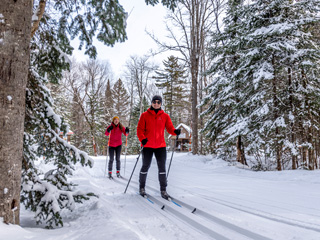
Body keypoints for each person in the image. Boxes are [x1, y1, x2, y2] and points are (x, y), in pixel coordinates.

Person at [137, 95, 181, 199]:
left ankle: (163, 190)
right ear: (151, 103)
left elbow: (170, 128)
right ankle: (142, 188)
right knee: (145, 166)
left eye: (158, 102)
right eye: (154, 102)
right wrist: (142, 139)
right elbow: (139, 129)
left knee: (162, 168)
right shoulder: (144, 115)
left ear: (161, 104)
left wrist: (175, 131)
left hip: (160, 146)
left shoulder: (165, 116)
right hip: (147, 145)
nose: (156, 104)